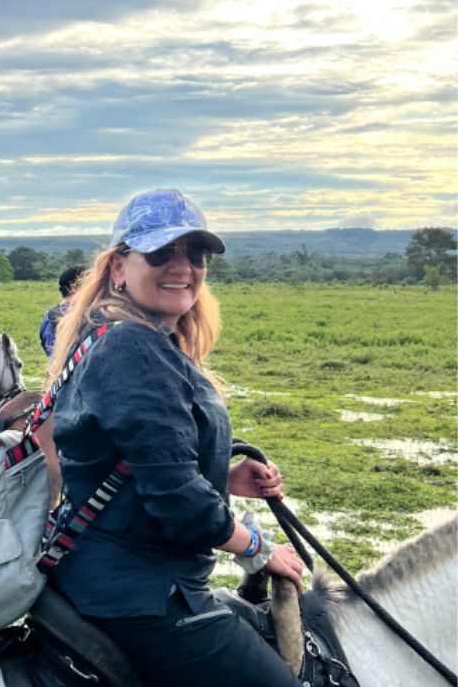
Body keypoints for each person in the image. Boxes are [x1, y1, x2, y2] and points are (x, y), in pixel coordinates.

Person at [45, 189, 304, 687]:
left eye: (196, 255)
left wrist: (223, 476)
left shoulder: (115, 333)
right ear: (119, 267)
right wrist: (257, 547)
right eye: (161, 253)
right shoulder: (132, 345)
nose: (183, 267)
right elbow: (177, 500)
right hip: (137, 589)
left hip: (114, 574)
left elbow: (139, 457)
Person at [38, 265, 85, 357]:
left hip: (55, 369)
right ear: (74, 287)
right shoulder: (86, 314)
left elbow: (46, 344)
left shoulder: (48, 315)